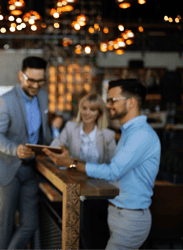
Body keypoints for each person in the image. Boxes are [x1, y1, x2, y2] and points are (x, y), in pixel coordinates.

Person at [44, 79, 161, 250]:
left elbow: (113, 171)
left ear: (131, 103)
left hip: (130, 217)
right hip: (117, 212)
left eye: (112, 100)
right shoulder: (128, 132)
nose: (108, 105)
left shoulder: (140, 135)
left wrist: (73, 164)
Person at [0, 56, 53, 250]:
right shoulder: (6, 100)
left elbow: (43, 132)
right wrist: (15, 149)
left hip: (30, 169)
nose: (35, 85)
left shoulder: (43, 97)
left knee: (31, 223)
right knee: (5, 224)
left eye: (40, 81)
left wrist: (54, 139)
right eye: (30, 80)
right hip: (7, 169)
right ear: (21, 75)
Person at [50, 93, 116, 250]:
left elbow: (113, 165)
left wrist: (74, 161)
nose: (87, 113)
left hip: (99, 189)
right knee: (75, 228)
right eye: (84, 108)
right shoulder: (71, 128)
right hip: (75, 185)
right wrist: (62, 151)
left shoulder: (107, 135)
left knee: (93, 231)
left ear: (99, 113)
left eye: (92, 109)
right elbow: (53, 146)